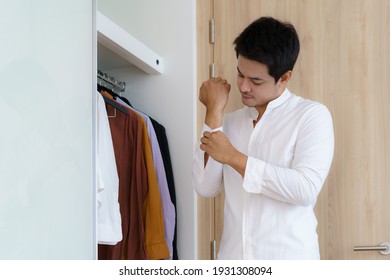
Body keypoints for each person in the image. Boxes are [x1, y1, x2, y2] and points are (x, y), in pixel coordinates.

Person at [192, 16, 334, 259]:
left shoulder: (311, 116)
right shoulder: (230, 122)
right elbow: (205, 187)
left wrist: (234, 158)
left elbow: (305, 189)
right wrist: (214, 111)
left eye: (256, 81)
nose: (244, 87)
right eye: (240, 75)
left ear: (284, 78)